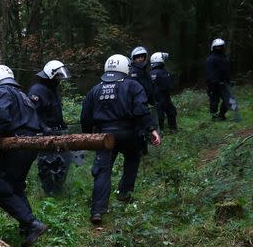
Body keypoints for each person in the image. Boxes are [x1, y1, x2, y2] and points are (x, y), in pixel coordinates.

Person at [81, 54, 161, 224]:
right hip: (129, 133)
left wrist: (88, 135)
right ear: (126, 67)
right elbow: (141, 109)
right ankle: (125, 193)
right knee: (132, 159)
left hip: (104, 136)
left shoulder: (95, 89)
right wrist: (151, 129)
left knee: (103, 171)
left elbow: (85, 117)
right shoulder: (133, 85)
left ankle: (97, 210)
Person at [0, 64, 48, 247]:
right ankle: (27, 225)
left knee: (0, 189)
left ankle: (32, 224)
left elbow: (1, 117)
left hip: (16, 145)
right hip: (29, 145)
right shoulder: (22, 95)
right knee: (15, 187)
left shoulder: (1, 91)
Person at [30, 60, 72, 195]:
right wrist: (43, 128)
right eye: (57, 77)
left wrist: (62, 125)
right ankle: (49, 193)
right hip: (43, 134)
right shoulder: (37, 90)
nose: (59, 80)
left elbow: (54, 112)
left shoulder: (51, 90)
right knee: (46, 163)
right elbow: (32, 113)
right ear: (50, 76)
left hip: (56, 132)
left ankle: (58, 190)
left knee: (64, 160)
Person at [150, 52, 178, 131]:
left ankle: (160, 132)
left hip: (155, 98)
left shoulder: (150, 72)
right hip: (164, 97)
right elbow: (168, 86)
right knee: (171, 113)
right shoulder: (162, 72)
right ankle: (173, 130)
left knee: (159, 115)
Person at [205, 38, 232, 121]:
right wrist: (214, 81)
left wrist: (229, 80)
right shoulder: (211, 59)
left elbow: (226, 71)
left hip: (224, 83)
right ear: (213, 47)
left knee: (228, 100)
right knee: (214, 101)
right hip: (214, 84)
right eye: (217, 47)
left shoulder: (224, 58)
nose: (219, 48)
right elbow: (209, 72)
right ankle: (214, 116)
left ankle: (221, 115)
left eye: (221, 47)